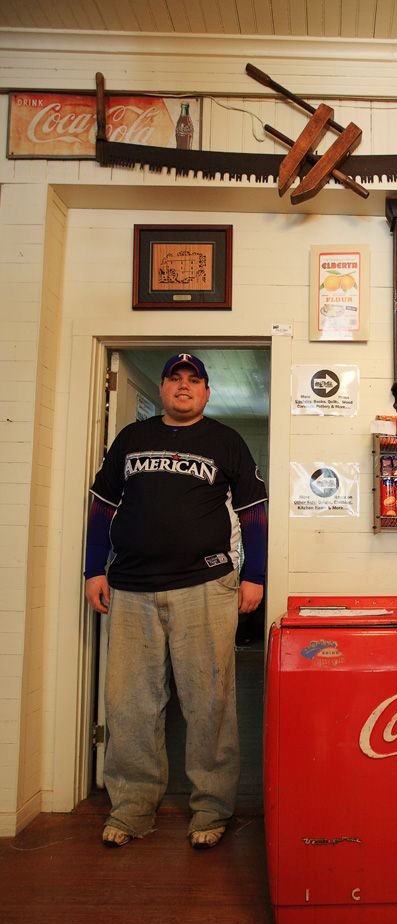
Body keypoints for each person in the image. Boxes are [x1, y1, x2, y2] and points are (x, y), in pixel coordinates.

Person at [84, 353, 267, 850]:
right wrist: (93, 568)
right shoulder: (131, 439)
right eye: (175, 379)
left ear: (207, 393)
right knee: (129, 705)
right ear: (163, 390)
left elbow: (254, 512)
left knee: (210, 703)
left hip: (206, 587)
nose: (184, 387)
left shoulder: (225, 441)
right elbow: (102, 507)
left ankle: (212, 808)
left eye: (195, 380)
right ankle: (132, 808)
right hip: (130, 588)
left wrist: (255, 575)